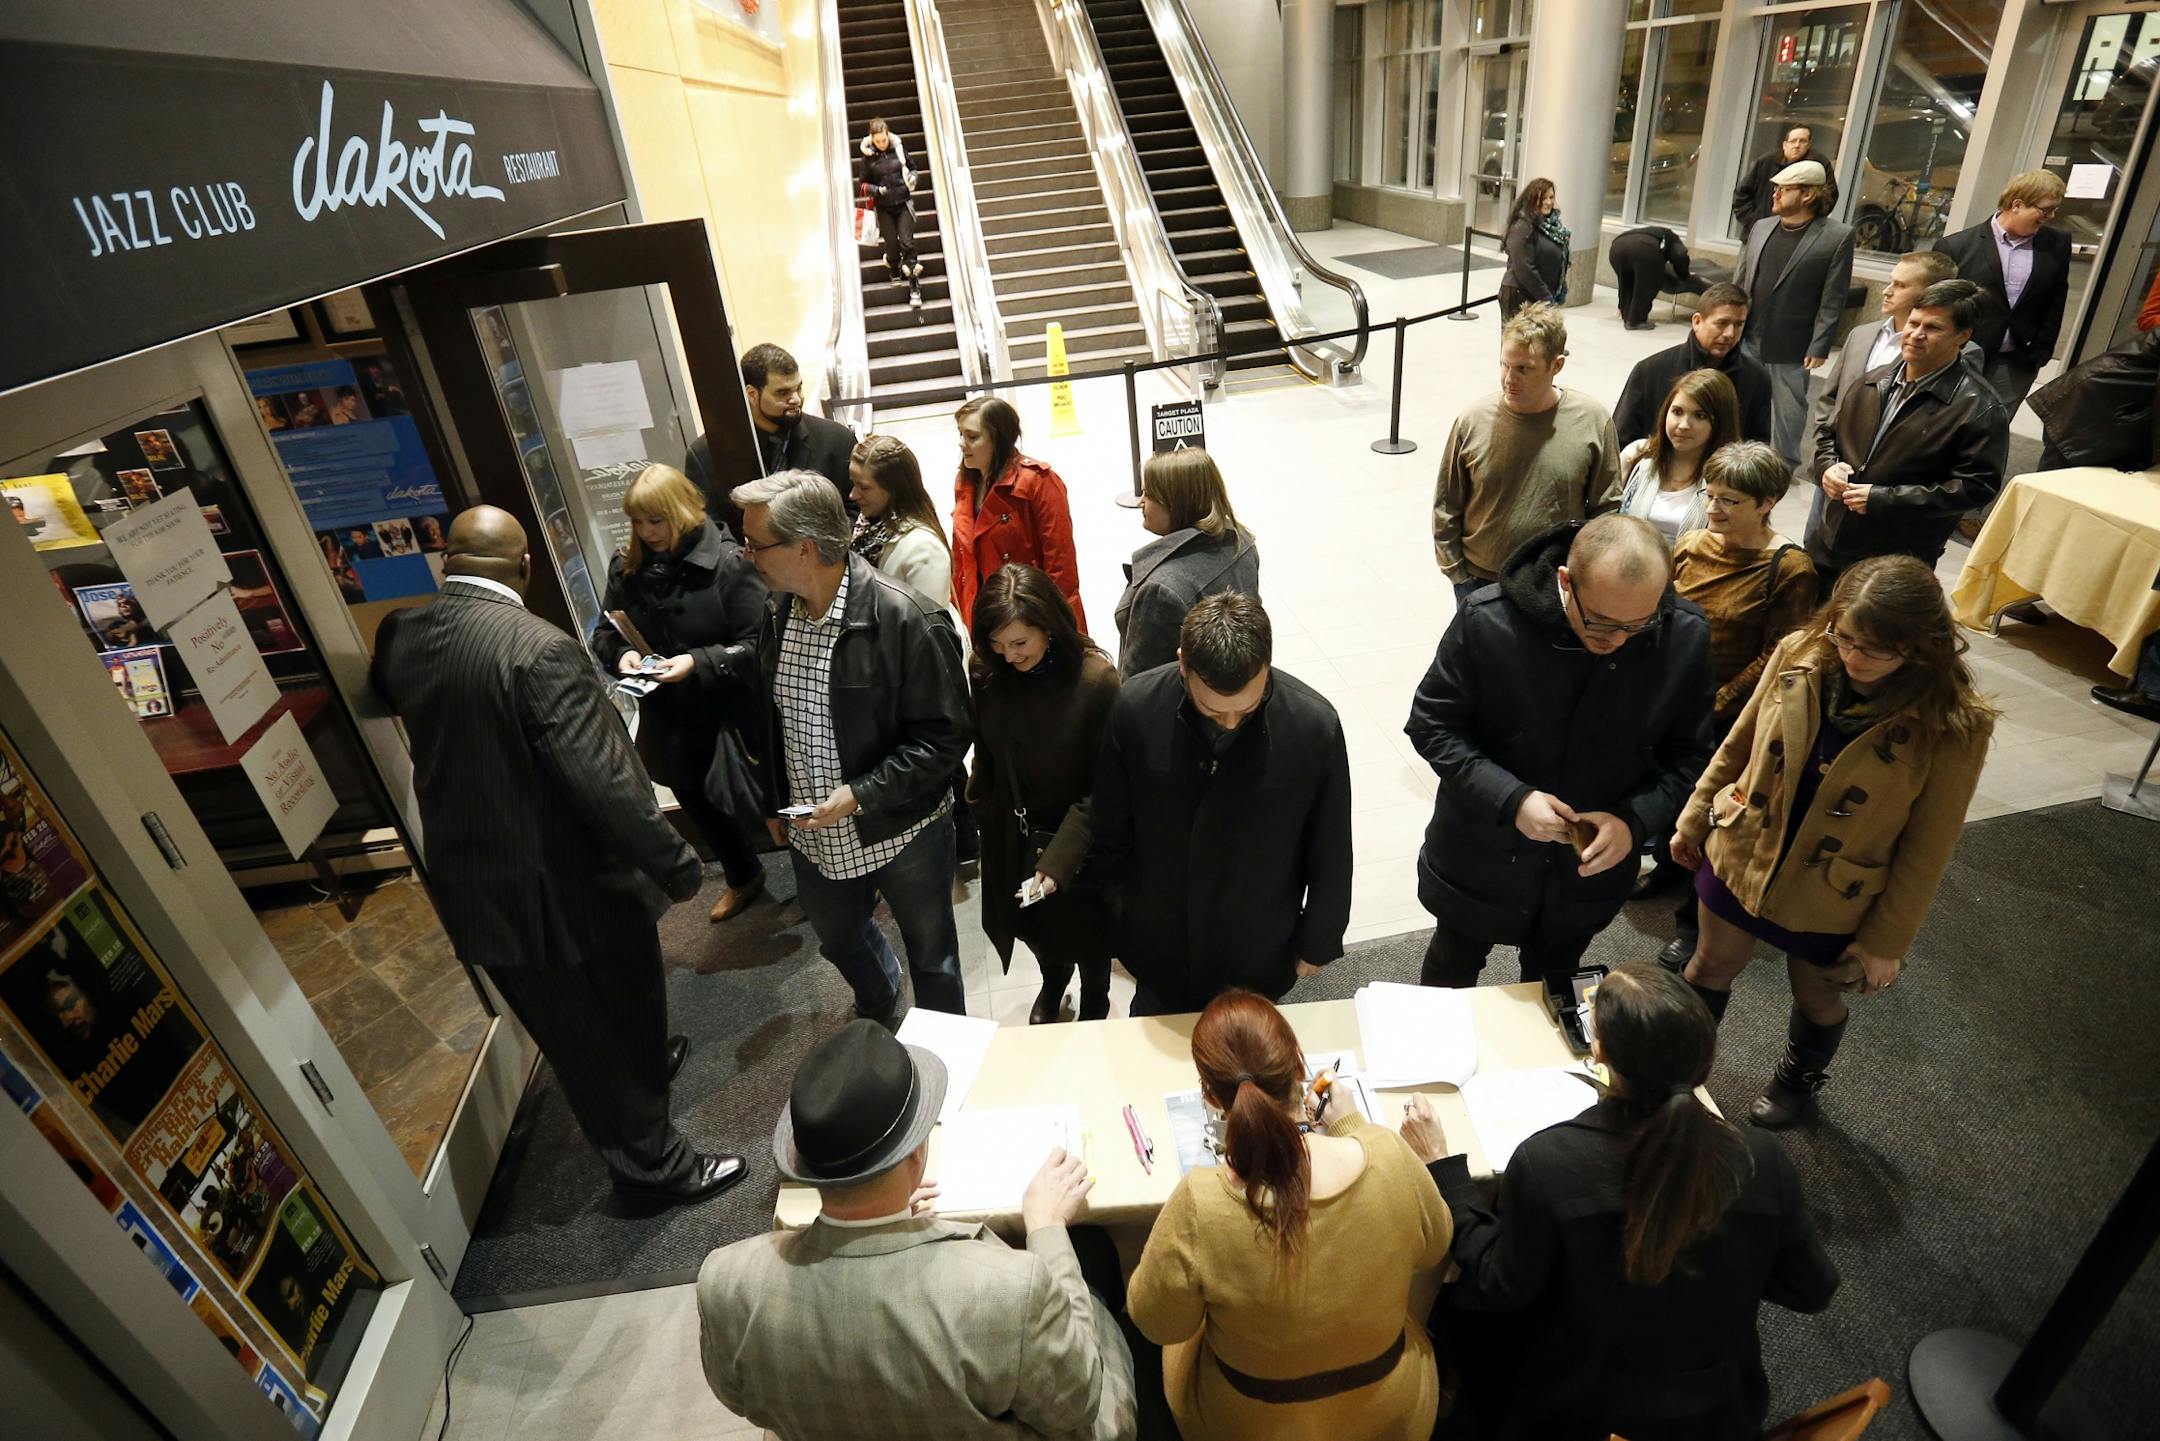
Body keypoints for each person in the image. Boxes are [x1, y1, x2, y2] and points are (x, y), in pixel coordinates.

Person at [370, 505, 743, 1205]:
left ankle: (642, 1076)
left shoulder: (402, 636)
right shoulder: (538, 648)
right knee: (598, 1033)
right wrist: (677, 862)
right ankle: (653, 1170)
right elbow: (604, 782)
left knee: (586, 1023)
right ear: (525, 566)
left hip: (475, 885)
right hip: (567, 887)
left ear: (446, 561)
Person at [1402, 964, 1838, 1441]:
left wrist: (1443, 1170)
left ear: (1600, 1051)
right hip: (1717, 1411)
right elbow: (1811, 1290)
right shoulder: (1762, 1159)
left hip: (1576, 1411)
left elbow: (1498, 1284)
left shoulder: (1549, 1163)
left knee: (1450, 1305)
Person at [696, 1020, 1139, 1441]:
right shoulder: (1011, 1291)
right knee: (1096, 1281)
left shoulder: (725, 1280)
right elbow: (1077, 1404)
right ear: (916, 1155)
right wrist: (1047, 1228)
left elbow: (737, 1397)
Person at [1672, 556, 1995, 1127]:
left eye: (1873, 648)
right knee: (1708, 964)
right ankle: (1677, 1075)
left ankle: (1798, 1080)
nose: (1852, 657)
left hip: (1832, 889)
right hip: (1744, 849)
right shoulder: (1799, 651)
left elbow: (1929, 846)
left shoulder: (1954, 725)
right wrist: (1695, 815)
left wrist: (1886, 940)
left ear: (1920, 646)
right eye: (1842, 636)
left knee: (1816, 994)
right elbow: (1739, 745)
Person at [1406, 515, 1714, 995]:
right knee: (1450, 975)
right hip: (1480, 855)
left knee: (1551, 994)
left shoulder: (1684, 636)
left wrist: (1633, 823)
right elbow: (1432, 724)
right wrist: (1511, 798)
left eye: (1638, 624)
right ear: (1565, 582)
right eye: (1601, 622)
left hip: (1584, 876)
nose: (1617, 640)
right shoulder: (1489, 621)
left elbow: (1692, 757)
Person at [1127, 991, 1453, 1441]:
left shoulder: (1201, 1202)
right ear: (1301, 1072)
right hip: (1391, 1415)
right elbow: (1437, 1242)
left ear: (1210, 1097)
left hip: (1247, 1426)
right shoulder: (1387, 1154)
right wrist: (1353, 1128)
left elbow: (1157, 1322)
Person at [727, 471, 973, 1018]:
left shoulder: (906, 618)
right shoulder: (778, 610)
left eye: (756, 544)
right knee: (838, 939)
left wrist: (860, 793)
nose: (747, 556)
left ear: (805, 548)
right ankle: (883, 1000)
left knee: (935, 961)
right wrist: (775, 799)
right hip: (814, 834)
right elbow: (779, 722)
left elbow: (945, 737)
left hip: (901, 830)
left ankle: (948, 1070)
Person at [1089, 593, 1351, 1015]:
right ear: (1182, 663)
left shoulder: (1312, 725)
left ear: (1267, 665)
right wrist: (1120, 916)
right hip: (1162, 933)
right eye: (1212, 710)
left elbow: (1331, 843)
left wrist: (1320, 935)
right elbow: (1110, 822)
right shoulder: (1135, 708)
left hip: (1258, 935)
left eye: (1245, 711)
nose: (1230, 721)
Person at [1654, 441, 1818, 966]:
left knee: (1709, 817)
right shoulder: (1693, 543)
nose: (1716, 508)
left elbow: (1779, 655)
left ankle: (1691, 921)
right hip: (1674, 700)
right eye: (1712, 494)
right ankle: (1661, 868)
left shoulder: (1789, 568)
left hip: (1731, 718)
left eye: (1732, 500)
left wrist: (1717, 703)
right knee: (1667, 796)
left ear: (1768, 502)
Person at [588, 464, 771, 923]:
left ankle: (823, 878)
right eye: (638, 521)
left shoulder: (730, 563)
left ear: (684, 512)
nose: (646, 532)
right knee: (696, 800)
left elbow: (759, 645)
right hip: (671, 715)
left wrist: (699, 661)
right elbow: (605, 634)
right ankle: (742, 875)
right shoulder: (626, 567)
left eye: (657, 520)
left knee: (769, 800)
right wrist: (622, 657)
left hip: (732, 713)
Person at [969, 565, 1121, 1023]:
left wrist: (1058, 861)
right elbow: (986, 750)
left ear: (1050, 627)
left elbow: (1107, 787)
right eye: (997, 644)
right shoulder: (989, 672)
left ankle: (1096, 997)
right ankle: (1053, 980)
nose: (1009, 655)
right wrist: (982, 804)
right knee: (1033, 926)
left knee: (1091, 938)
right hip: (1015, 833)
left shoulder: (1095, 682)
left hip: (1080, 844)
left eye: (1020, 642)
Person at [1807, 279, 2008, 596]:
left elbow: (1975, 487)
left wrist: (1884, 499)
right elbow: (1829, 436)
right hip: (1832, 539)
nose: (1916, 334)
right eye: (1914, 322)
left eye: (1932, 327)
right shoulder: (1873, 380)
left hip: (1896, 558)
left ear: (1963, 336)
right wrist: (1827, 467)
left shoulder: (1978, 407)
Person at [1433, 304, 1623, 605]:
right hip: (1480, 581)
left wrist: (1581, 572)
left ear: (1556, 365)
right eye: (1504, 365)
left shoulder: (1592, 421)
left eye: (1524, 369)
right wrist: (1457, 575)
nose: (1509, 379)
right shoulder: (1472, 420)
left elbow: (1606, 508)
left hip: (1551, 581)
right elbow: (1447, 503)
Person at [1736, 160, 1857, 472]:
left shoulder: (1837, 236)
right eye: (1775, 188)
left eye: (1783, 189)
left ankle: (1784, 464)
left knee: (1789, 407)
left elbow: (1834, 295)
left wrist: (1820, 344)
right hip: (1747, 332)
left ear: (1807, 195)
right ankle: (1744, 456)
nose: (1774, 194)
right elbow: (1742, 276)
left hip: (1791, 340)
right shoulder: (1761, 227)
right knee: (1744, 397)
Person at [1803, 249, 1960, 473]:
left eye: (1901, 285)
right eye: (1890, 282)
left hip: (1889, 477)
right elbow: (1830, 399)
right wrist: (1825, 456)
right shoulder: (1861, 335)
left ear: (1929, 294)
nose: (1887, 291)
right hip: (1834, 464)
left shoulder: (1954, 351)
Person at [1934, 169, 2071, 416]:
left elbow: (2055, 301)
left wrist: (2042, 351)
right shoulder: (1957, 246)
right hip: (1963, 356)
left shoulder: (2057, 243)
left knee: (1994, 429)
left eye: (2054, 209)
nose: (2050, 216)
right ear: (2017, 205)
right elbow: (1939, 305)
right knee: (1947, 422)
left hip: (2017, 361)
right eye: (2045, 209)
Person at [1113, 447, 1259, 678]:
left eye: (1149, 494)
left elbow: (1140, 681)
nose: (1141, 502)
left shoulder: (1161, 589)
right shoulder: (1242, 542)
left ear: (1176, 503)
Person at [951, 395, 1086, 630]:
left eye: (972, 437)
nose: (962, 443)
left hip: (1031, 615)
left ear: (998, 439)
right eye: (961, 434)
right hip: (982, 615)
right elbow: (961, 561)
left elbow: (1061, 567)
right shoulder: (965, 482)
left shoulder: (1038, 482)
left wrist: (1057, 627)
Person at [685, 342, 856, 528]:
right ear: (752, 394)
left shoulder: (836, 440)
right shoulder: (706, 455)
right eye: (782, 393)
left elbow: (856, 511)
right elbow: (708, 528)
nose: (796, 399)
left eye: (798, 388)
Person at [1613, 282, 1773, 447]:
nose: (1730, 334)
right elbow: (1620, 440)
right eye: (1722, 323)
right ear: (1697, 321)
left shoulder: (1756, 378)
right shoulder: (1650, 371)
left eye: (1738, 324)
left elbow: (1758, 444)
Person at [1616, 369, 1742, 546]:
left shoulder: (1731, 479)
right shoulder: (1636, 456)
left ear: (1720, 422)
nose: (1683, 425)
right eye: (1677, 412)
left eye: (1700, 416)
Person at [849, 433, 953, 613]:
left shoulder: (923, 549)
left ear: (894, 489)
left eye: (864, 487)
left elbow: (928, 629)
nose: (852, 495)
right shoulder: (867, 528)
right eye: (853, 484)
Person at [1730, 123, 1837, 234]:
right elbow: (1741, 195)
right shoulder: (1765, 162)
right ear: (1784, 145)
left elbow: (1829, 196)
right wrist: (1754, 222)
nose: (1797, 145)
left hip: (1799, 233)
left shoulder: (1819, 165)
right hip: (1758, 232)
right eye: (1793, 141)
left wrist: (1809, 223)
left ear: (1809, 144)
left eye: (1802, 141)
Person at [858, 117, 920, 287]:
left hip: (904, 203)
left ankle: (914, 284)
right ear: (872, 140)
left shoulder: (899, 150)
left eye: (884, 140)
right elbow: (862, 184)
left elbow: (913, 167)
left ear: (888, 135)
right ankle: (894, 267)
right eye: (877, 141)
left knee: (907, 242)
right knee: (892, 243)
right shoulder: (867, 158)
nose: (881, 144)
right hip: (883, 207)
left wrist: (913, 177)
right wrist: (876, 190)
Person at [1606, 224, 1698, 331]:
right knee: (1646, 287)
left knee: (1626, 282)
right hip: (1644, 250)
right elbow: (1681, 255)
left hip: (1617, 248)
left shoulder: (1649, 232)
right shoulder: (1671, 236)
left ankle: (1625, 313)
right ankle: (1636, 321)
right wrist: (1683, 274)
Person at [1500, 178, 1569, 319]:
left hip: (1539, 297)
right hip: (1520, 295)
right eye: (1543, 198)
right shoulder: (1522, 226)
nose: (1549, 202)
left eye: (1551, 197)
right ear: (1532, 199)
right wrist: (1547, 299)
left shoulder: (1552, 226)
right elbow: (1524, 267)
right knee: (1519, 341)